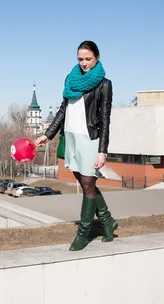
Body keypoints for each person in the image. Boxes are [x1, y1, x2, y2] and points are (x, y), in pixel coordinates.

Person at [36, 40, 118, 251]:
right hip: (70, 137)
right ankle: (108, 222)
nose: (84, 63)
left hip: (90, 139)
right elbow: (63, 110)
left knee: (89, 185)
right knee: (84, 183)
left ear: (97, 58)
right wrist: (48, 135)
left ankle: (83, 233)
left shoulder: (104, 84)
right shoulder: (70, 79)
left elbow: (105, 119)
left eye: (88, 59)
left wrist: (102, 151)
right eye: (80, 59)